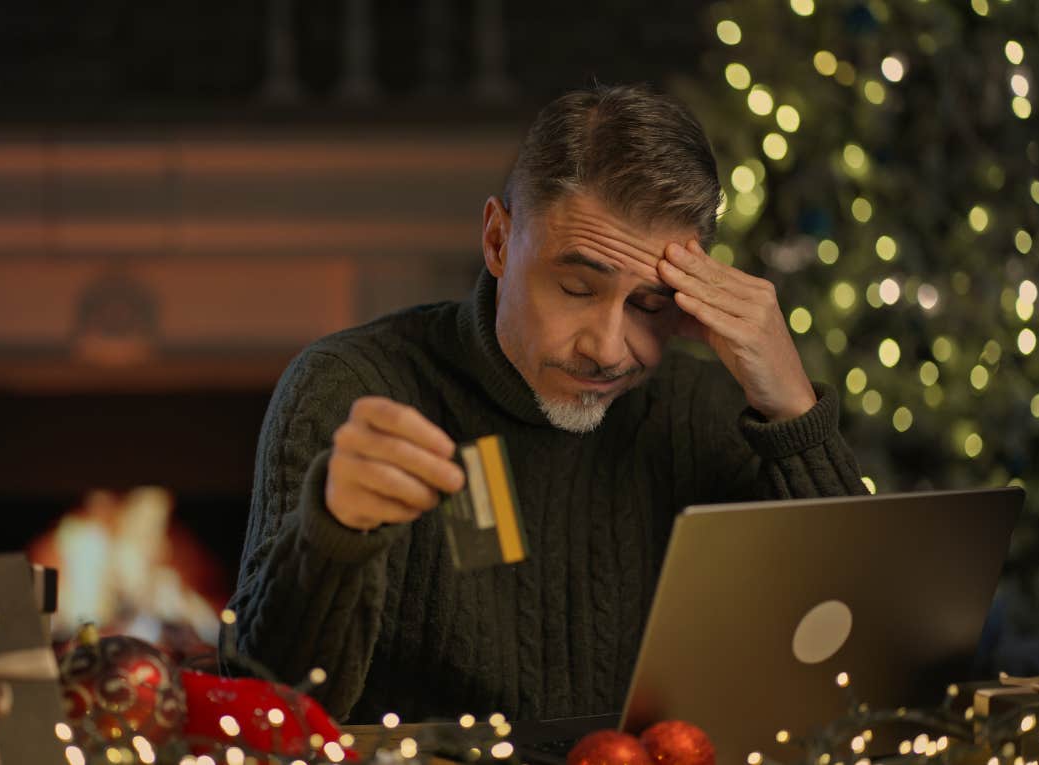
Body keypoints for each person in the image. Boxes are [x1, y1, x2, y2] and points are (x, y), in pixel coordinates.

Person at [228, 83, 867, 723]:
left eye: (651, 305)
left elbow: (865, 664)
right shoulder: (351, 388)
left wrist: (792, 412)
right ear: (499, 241)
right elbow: (265, 708)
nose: (609, 350)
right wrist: (335, 535)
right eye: (576, 288)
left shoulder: (707, 412)